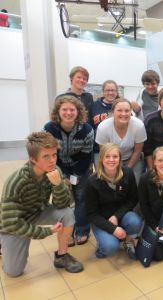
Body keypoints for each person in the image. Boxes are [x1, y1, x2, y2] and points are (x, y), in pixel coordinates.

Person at [0, 132, 83, 277]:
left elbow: (63, 204)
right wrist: (46, 232)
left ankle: (62, 256)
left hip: (38, 212)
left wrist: (58, 185)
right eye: (46, 156)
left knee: (67, 213)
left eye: (54, 155)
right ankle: (4, 245)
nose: (52, 161)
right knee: (14, 272)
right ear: (32, 158)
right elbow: (10, 223)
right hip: (14, 223)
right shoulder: (16, 182)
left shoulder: (54, 171)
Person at [44, 95, 94, 246]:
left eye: (72, 109)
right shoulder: (49, 129)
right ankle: (67, 231)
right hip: (58, 167)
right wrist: (63, 175)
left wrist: (75, 175)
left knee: (81, 198)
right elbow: (51, 155)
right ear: (58, 111)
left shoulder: (87, 129)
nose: (68, 113)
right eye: (64, 109)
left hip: (81, 168)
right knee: (64, 200)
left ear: (78, 111)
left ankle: (82, 230)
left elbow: (87, 156)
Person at [85, 143, 142, 259]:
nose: (111, 160)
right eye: (107, 156)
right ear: (101, 159)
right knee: (110, 247)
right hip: (101, 220)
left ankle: (128, 241)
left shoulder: (128, 173)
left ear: (120, 159)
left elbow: (133, 199)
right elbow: (92, 215)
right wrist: (113, 229)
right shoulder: (92, 181)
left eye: (115, 157)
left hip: (122, 215)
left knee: (135, 222)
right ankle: (102, 248)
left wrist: (116, 216)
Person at [96, 98, 147, 185]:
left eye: (127, 111)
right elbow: (104, 153)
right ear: (112, 112)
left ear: (131, 112)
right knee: (109, 184)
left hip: (132, 159)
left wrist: (127, 170)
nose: (123, 114)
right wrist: (115, 170)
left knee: (133, 183)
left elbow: (137, 151)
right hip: (110, 158)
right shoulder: (103, 127)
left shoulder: (138, 125)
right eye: (119, 110)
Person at [89, 80, 119, 166]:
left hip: (118, 150)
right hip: (99, 150)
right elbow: (90, 127)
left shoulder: (122, 105)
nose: (110, 93)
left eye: (113, 90)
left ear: (116, 92)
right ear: (103, 92)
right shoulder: (94, 106)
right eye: (107, 90)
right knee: (101, 177)